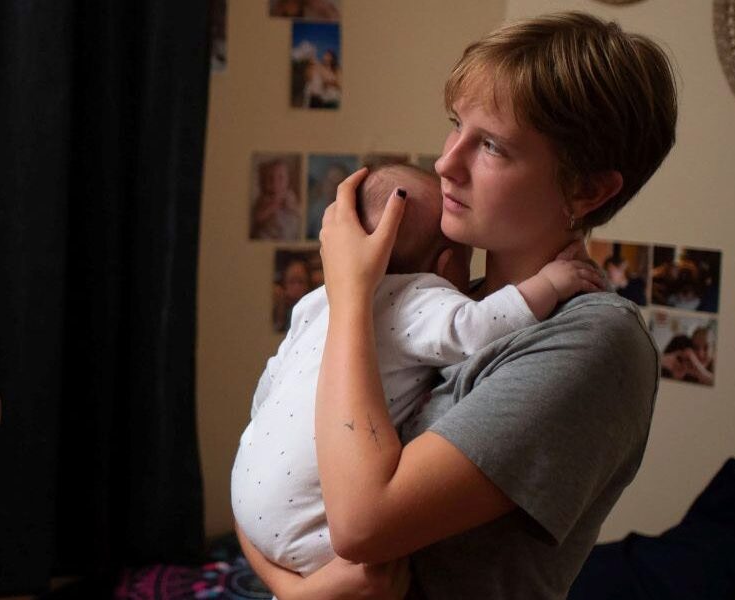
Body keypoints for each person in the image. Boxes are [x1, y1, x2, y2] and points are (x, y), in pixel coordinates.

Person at [238, 12, 676, 598]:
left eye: (491, 145)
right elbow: (262, 476)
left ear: (587, 189)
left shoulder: (595, 340)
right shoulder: (440, 303)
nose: (445, 163)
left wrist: (351, 295)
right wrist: (294, 592)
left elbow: (363, 524)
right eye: (456, 126)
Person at [233, 165, 603, 577]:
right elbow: (477, 328)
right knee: (380, 576)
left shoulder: (316, 301)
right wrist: (550, 283)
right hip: (309, 526)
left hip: (249, 490)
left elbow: (269, 384)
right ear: (446, 265)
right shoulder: (419, 297)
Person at [251, 159, 301, 240]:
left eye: (280, 178)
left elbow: (299, 212)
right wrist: (272, 207)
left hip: (286, 231)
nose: (275, 182)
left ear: (288, 181)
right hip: (269, 233)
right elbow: (257, 218)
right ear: (264, 182)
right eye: (270, 178)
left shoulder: (289, 195)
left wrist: (291, 207)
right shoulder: (264, 197)